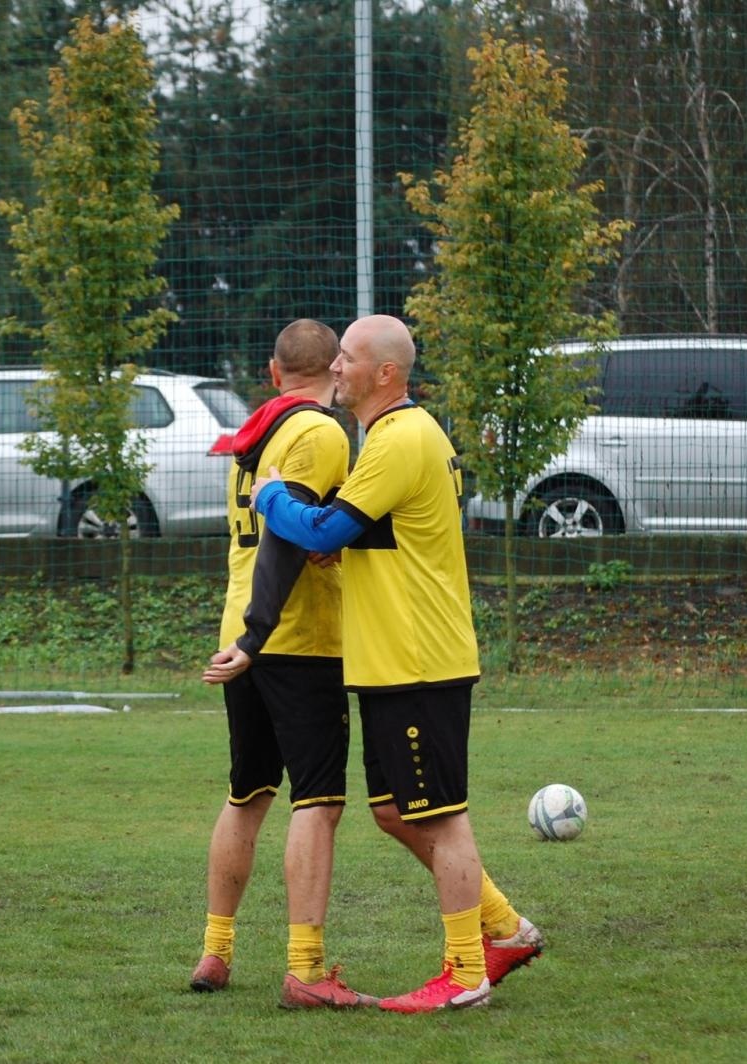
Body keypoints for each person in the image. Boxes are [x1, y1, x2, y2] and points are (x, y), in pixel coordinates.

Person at [250, 313, 544, 1014]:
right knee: (393, 810)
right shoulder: (391, 438)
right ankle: (503, 927)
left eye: (348, 359)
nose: (337, 369)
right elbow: (361, 534)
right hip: (390, 662)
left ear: (386, 372)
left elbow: (322, 526)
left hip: (418, 660)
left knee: (442, 818)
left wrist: (270, 494)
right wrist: (336, 541)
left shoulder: (399, 439)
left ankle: (468, 968)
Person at [190, 319, 377, 1010]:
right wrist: (262, 633)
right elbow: (283, 540)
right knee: (318, 801)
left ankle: (216, 950)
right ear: (334, 372)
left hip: (240, 631)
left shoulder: (260, 434)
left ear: (273, 373)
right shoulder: (322, 432)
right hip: (292, 640)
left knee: (247, 795)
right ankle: (305, 968)